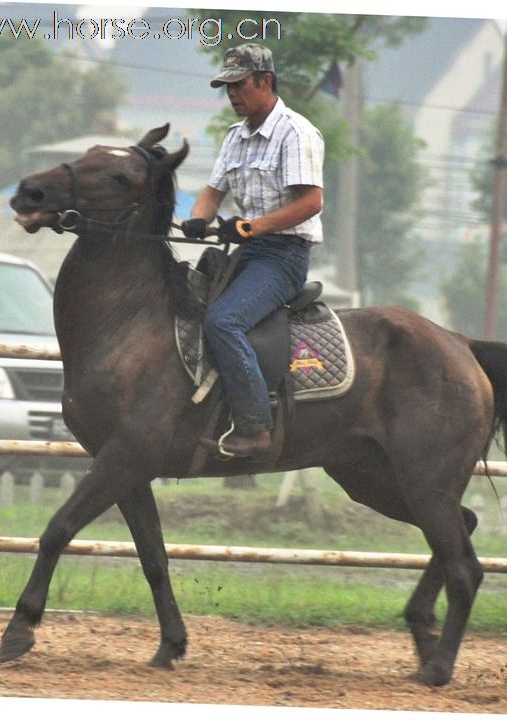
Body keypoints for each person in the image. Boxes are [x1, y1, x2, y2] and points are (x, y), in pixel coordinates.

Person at [183, 43, 325, 459]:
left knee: (224, 321)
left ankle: (255, 426)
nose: (231, 94)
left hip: (283, 257)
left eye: (239, 85)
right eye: (226, 87)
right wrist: (198, 219)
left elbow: (310, 202)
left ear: (265, 81)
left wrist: (252, 226)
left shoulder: (296, 133)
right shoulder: (234, 137)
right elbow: (211, 194)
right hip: (247, 251)